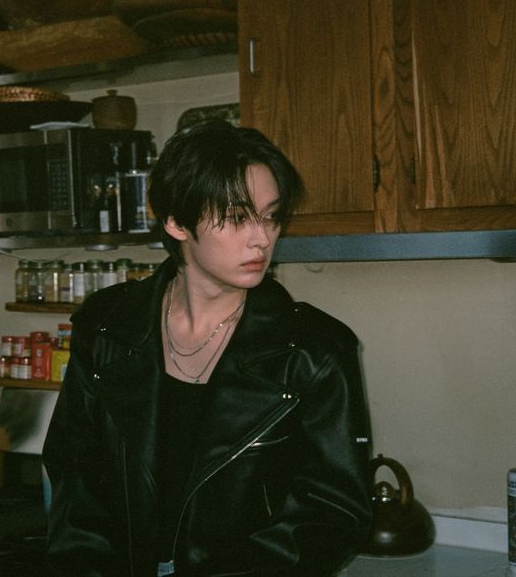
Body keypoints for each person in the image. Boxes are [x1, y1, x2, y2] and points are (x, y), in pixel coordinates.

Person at [42, 121, 372, 576]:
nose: (262, 238)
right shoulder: (107, 328)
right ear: (176, 221)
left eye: (271, 216)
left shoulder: (314, 351)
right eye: (238, 218)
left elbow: (332, 512)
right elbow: (74, 477)